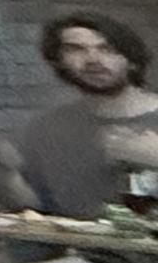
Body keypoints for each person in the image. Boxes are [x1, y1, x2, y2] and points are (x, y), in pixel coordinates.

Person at [12, 11, 158, 220]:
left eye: (106, 48)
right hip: (80, 250)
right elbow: (38, 211)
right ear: (58, 61)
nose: (93, 59)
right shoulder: (46, 129)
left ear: (131, 59)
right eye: (76, 49)